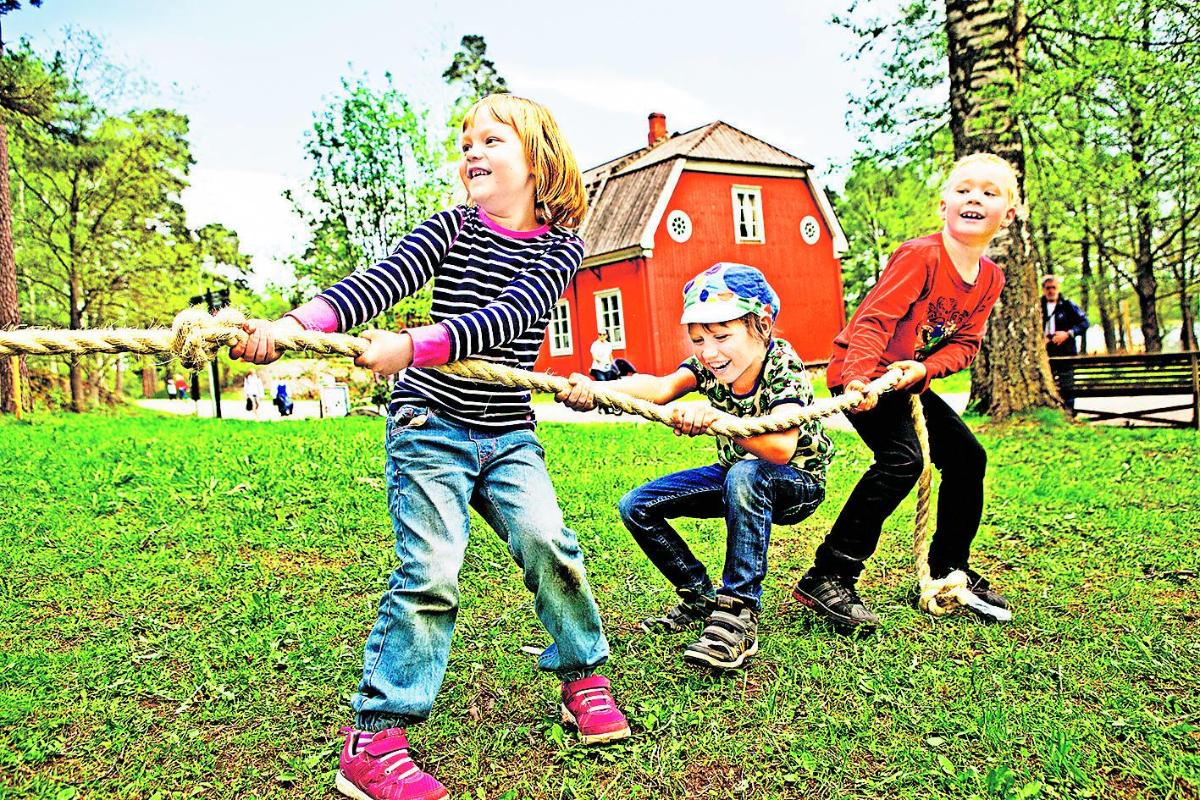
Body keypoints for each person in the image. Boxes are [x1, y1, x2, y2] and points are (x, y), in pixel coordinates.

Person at [230, 94, 629, 800]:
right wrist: (292, 324)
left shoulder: (562, 250)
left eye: (492, 140)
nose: (472, 151)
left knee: (549, 543)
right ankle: (375, 740)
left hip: (507, 433)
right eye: (466, 141)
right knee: (431, 572)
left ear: (537, 158)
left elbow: (509, 314)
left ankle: (583, 675)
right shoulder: (446, 229)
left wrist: (415, 345)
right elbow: (375, 285)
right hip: (429, 427)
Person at [557, 263, 832, 670]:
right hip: (738, 475)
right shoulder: (708, 366)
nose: (709, 351)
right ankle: (699, 595)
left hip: (795, 482)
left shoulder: (783, 365)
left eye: (722, 336)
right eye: (698, 338)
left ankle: (738, 611)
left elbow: (779, 448)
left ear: (763, 324)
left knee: (746, 474)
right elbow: (661, 387)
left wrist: (718, 420)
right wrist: (597, 389)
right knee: (638, 505)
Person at [792, 153, 1020, 633]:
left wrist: (923, 368)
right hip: (864, 375)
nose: (974, 197)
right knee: (902, 460)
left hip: (907, 382)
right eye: (963, 189)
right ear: (943, 206)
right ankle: (830, 573)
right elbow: (874, 319)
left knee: (967, 457)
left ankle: (947, 567)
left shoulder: (991, 279)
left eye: (989, 192)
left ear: (1009, 214)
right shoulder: (921, 256)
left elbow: (964, 344)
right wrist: (858, 377)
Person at [1041, 274, 1089, 411]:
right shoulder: (1037, 305)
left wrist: (1068, 334)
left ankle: (1069, 411)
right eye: (1048, 288)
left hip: (1065, 352)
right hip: (1045, 354)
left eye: (1053, 288)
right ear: (1043, 289)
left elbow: (1084, 323)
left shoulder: (1068, 305)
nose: (1051, 291)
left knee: (1067, 385)